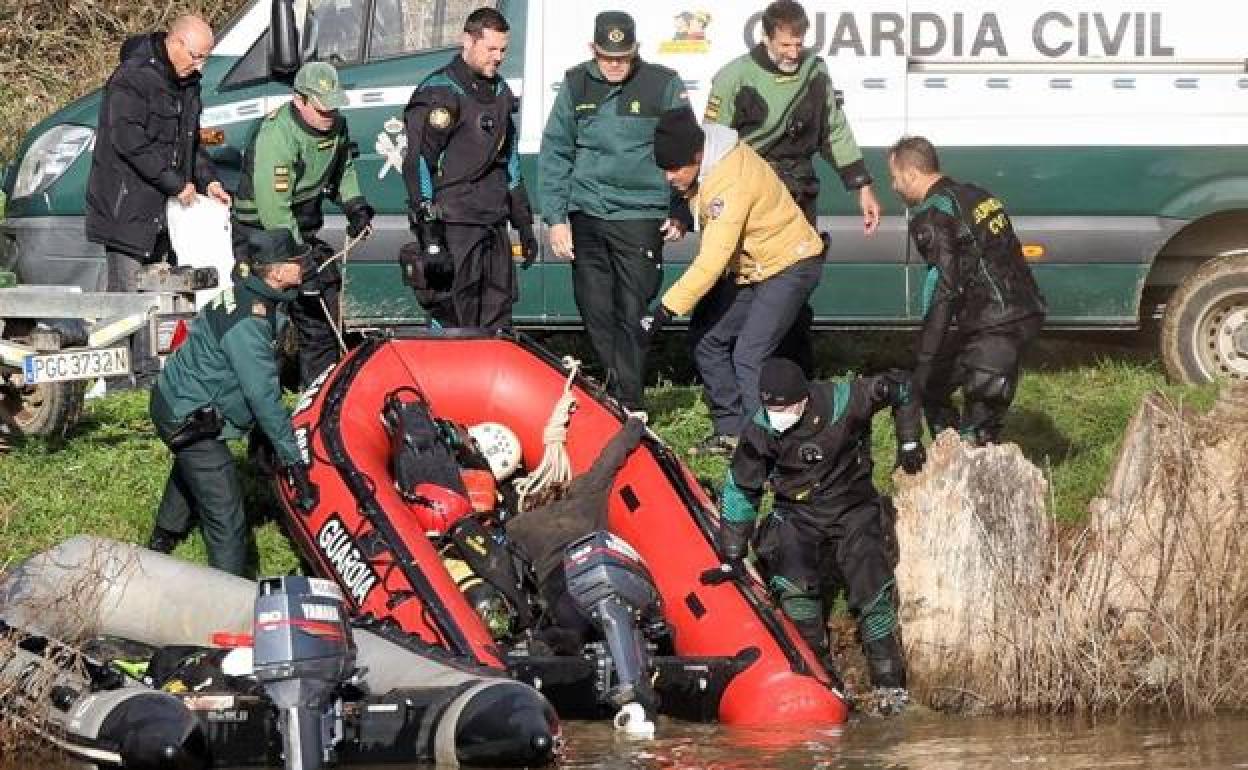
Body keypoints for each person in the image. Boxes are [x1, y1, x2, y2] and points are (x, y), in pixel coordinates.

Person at [717, 357, 922, 706]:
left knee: (871, 585)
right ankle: (820, 678)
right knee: (794, 587)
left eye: (784, 408)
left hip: (854, 506)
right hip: (797, 513)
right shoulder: (760, 429)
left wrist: (908, 441)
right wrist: (732, 552)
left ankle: (890, 682)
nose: (777, 416)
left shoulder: (848, 399)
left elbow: (904, 385)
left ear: (804, 399)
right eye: (770, 408)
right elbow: (741, 487)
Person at [703, 0, 882, 376]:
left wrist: (861, 186)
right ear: (766, 37)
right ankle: (745, 367)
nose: (793, 52)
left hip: (799, 190)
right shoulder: (734, 77)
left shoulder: (815, 71)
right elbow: (713, 145)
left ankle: (794, 376)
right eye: (785, 45)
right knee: (747, 284)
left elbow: (835, 129)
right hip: (751, 193)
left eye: (798, 43)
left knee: (793, 287)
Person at [643, 108, 824, 454]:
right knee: (707, 339)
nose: (668, 177)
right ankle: (731, 432)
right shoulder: (706, 155)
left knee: (749, 355)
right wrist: (681, 207)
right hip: (754, 267)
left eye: (674, 169)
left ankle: (763, 448)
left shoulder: (731, 180)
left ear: (697, 157)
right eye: (663, 169)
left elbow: (712, 260)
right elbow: (695, 195)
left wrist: (664, 311)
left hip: (790, 263)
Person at [537, 11, 690, 412]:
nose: (615, 65)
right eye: (607, 57)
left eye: (622, 57)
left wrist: (680, 210)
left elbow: (685, 149)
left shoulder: (663, 83)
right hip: (586, 212)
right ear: (593, 51)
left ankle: (628, 400)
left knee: (633, 311)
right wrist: (555, 219)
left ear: (636, 51)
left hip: (640, 214)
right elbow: (556, 150)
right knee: (595, 310)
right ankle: (617, 392)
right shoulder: (576, 83)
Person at [147, 229, 319, 577]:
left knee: (193, 469)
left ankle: (161, 541)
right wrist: (293, 462)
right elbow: (262, 395)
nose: (304, 264)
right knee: (225, 511)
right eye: (296, 261)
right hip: (187, 413)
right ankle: (230, 593)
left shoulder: (251, 294)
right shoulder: (250, 321)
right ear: (276, 272)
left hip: (181, 400)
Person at [85, 14, 230, 379]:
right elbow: (129, 143)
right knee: (125, 298)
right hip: (125, 207)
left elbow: (190, 143)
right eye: (197, 56)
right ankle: (118, 382)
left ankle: (151, 377)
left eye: (205, 58)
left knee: (159, 295)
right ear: (176, 43)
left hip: (165, 211)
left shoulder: (189, 85)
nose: (201, 65)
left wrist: (207, 180)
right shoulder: (131, 79)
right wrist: (174, 184)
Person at [887, 136, 1046, 445]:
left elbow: (943, 289)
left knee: (980, 426)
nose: (893, 187)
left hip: (998, 324)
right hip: (1025, 309)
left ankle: (968, 461)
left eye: (894, 178)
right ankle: (948, 454)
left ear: (910, 174)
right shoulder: (977, 194)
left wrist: (925, 355)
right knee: (935, 383)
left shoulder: (931, 216)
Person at [232, 61, 375, 388]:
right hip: (262, 236)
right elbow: (274, 211)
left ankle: (318, 395)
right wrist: (300, 260)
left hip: (302, 230)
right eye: (323, 109)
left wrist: (355, 205)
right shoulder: (277, 136)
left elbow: (344, 169)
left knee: (322, 314)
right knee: (260, 321)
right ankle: (256, 399)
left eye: (334, 108)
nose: (330, 116)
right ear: (299, 100)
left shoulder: (337, 128)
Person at [401, 7, 537, 331]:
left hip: (494, 222)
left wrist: (524, 224)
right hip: (455, 223)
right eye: (491, 49)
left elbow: (511, 161)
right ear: (468, 41)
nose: (499, 57)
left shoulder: (502, 92)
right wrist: (430, 235)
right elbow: (418, 162)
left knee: (497, 316)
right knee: (453, 316)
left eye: (503, 50)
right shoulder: (440, 91)